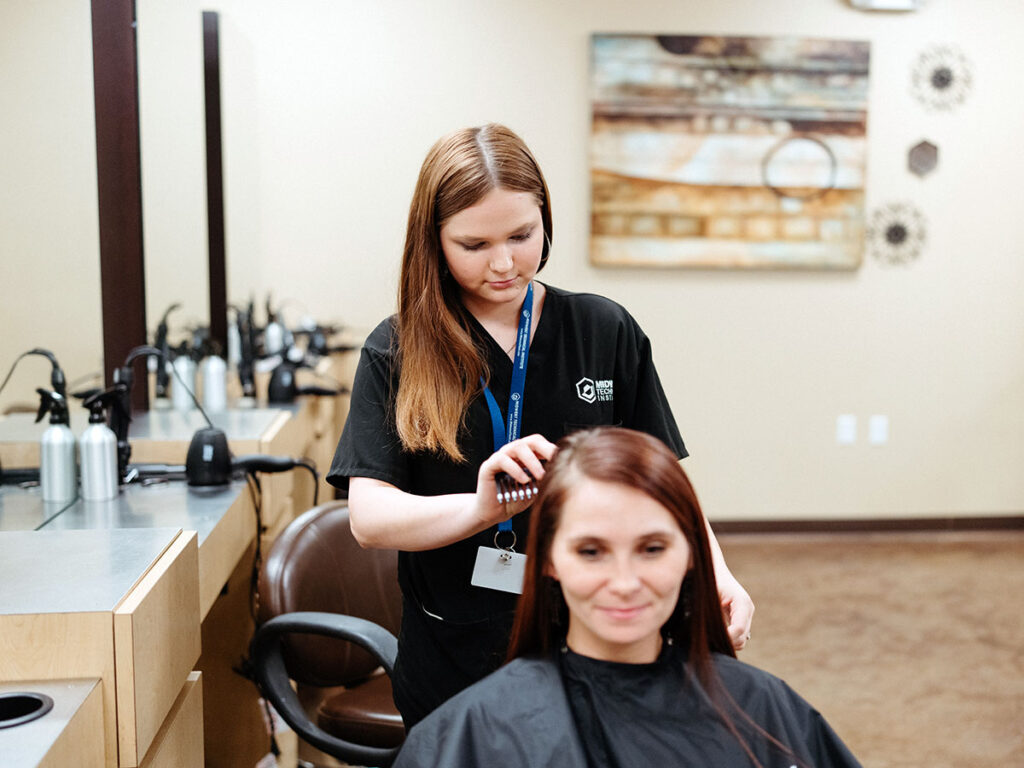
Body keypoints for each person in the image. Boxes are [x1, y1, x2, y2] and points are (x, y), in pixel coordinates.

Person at [327, 123, 754, 727]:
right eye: (473, 244)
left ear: (545, 219)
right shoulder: (397, 349)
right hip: (458, 658)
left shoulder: (604, 331)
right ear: (434, 242)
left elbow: (663, 488)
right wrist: (479, 508)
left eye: (522, 235)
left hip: (594, 639)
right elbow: (370, 520)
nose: (503, 263)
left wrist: (718, 575)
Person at [393, 427, 862, 767]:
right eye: (591, 551)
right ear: (549, 560)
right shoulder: (470, 736)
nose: (623, 582)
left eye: (652, 549)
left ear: (692, 556)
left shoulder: (763, 710)